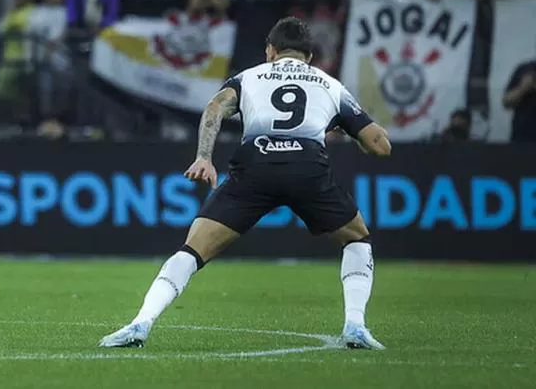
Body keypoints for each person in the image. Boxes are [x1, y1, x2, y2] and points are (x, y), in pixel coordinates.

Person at [98, 17, 391, 351]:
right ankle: (355, 326)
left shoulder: (248, 77)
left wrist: (204, 157)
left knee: (192, 250)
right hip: (307, 167)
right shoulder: (330, 85)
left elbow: (214, 108)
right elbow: (380, 146)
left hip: (256, 165)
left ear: (271, 50)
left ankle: (140, 323)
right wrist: (345, 130)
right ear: (309, 57)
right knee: (357, 240)